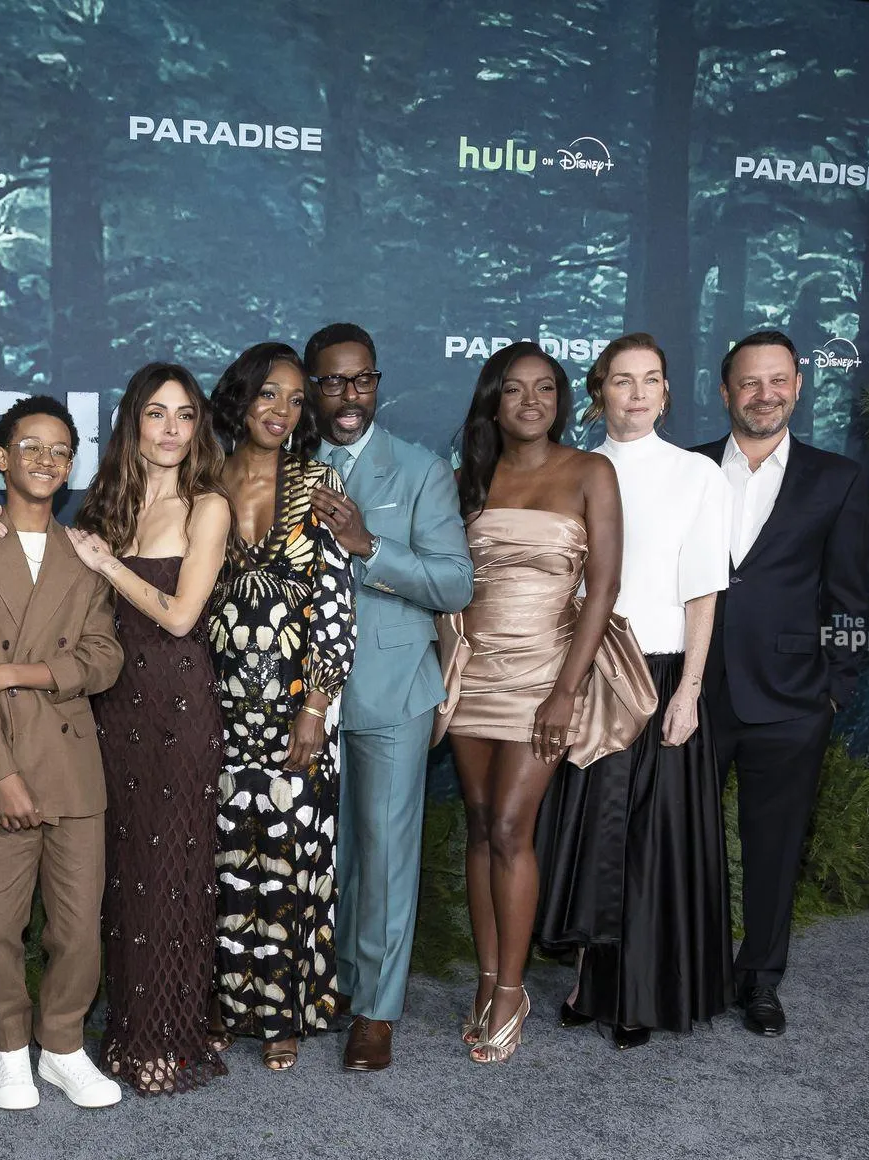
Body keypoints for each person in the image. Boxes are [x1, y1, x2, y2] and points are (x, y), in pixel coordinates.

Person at [435, 341, 653, 1065]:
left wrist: (566, 691)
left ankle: (511, 990)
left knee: (509, 824)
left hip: (545, 676)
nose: (531, 401)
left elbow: (605, 586)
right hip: (474, 673)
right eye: (514, 389)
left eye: (545, 388)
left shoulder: (591, 472)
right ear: (492, 401)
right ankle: (486, 978)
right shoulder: (468, 479)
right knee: (477, 824)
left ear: (561, 400)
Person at [535, 334, 735, 1048]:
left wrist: (690, 691)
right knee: (589, 830)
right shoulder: (571, 470)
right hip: (584, 672)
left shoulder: (696, 475)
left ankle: (637, 995)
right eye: (623, 380)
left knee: (648, 841)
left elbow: (703, 590)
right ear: (600, 391)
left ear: (667, 392)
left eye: (652, 379)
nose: (639, 393)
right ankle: (588, 981)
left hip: (660, 674)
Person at [0, 396, 125, 1111]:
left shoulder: (87, 557)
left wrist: (16, 672)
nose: (46, 460)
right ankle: (11, 1051)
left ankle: (65, 1047)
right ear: (2, 459)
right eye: (31, 447)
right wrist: (3, 778)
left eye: (61, 451)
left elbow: (104, 659)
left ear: (71, 466)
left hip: (73, 768)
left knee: (77, 929)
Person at [690, 330, 869, 1037]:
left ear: (797, 385)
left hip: (794, 700)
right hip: (695, 694)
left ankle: (760, 978)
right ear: (725, 391)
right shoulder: (692, 468)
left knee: (775, 848)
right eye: (748, 382)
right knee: (687, 843)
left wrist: (836, 689)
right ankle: (694, 970)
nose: (763, 394)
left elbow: (849, 596)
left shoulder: (837, 478)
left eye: (776, 380)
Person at [304, 323, 473, 1071]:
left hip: (393, 686)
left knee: (384, 853)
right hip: (302, 696)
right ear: (313, 387)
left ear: (377, 383)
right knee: (320, 848)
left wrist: (369, 546)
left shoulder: (421, 469)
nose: (351, 395)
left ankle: (377, 1008)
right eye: (334, 381)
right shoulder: (287, 468)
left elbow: (455, 584)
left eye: (363, 379)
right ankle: (331, 981)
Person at [70, 362, 232, 1095]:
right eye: (157, 413)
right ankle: (128, 1027)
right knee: (124, 871)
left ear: (199, 428)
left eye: (185, 415)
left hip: (179, 706)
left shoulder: (207, 507)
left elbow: (181, 616)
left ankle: (168, 1034)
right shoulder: (105, 504)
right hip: (112, 708)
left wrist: (107, 564)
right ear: (133, 422)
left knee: (174, 871)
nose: (171, 429)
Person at [206, 343, 356, 1072]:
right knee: (220, 860)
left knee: (291, 857)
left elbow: (335, 601)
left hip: (295, 706)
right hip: (212, 703)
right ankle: (218, 1004)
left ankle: (281, 1013)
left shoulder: (318, 482)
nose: (284, 411)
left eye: (297, 400)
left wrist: (316, 706)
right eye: (270, 394)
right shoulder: (201, 482)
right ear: (241, 398)